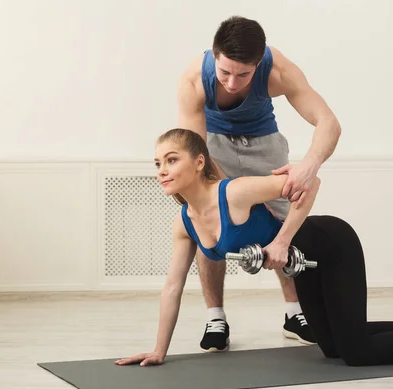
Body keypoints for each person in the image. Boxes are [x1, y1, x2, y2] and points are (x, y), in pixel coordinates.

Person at [115, 128, 393, 367]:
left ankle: (354, 338)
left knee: (355, 353)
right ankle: (351, 334)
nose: (162, 170)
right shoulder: (184, 223)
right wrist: (159, 351)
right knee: (332, 347)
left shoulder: (234, 192)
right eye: (157, 163)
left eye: (171, 160)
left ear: (200, 162)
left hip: (333, 245)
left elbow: (312, 182)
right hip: (304, 264)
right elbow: (173, 287)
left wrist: (281, 242)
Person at [177, 15, 341, 351]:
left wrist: (309, 165)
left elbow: (328, 122)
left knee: (282, 224)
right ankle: (216, 317)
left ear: (259, 61)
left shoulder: (278, 70)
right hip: (213, 146)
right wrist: (231, 197)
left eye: (243, 74)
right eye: (225, 73)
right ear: (214, 54)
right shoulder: (194, 80)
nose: (233, 83)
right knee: (209, 224)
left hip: (264, 142)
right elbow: (198, 155)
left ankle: (294, 314)